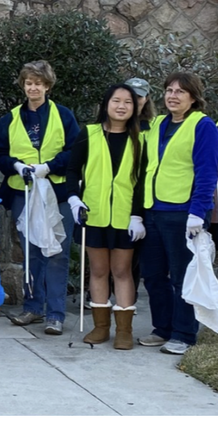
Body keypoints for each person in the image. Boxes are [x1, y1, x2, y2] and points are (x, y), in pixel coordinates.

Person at [0, 61, 84, 334]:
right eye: (28, 83)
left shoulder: (64, 115)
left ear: (47, 85)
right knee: (31, 251)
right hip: (24, 191)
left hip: (57, 191)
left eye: (38, 83)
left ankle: (55, 314)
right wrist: (16, 166)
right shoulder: (10, 118)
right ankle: (33, 308)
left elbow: (76, 150)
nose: (33, 88)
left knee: (57, 252)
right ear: (23, 85)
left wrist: (50, 167)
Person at [136, 74, 218, 356]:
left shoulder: (203, 125)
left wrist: (198, 212)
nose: (173, 96)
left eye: (180, 92)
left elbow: (207, 172)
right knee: (153, 274)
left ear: (193, 98)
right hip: (153, 210)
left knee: (183, 276)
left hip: (183, 212)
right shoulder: (158, 124)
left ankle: (184, 333)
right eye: (169, 90)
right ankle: (162, 328)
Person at [74, 84, 146, 350]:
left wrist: (137, 215)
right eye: (116, 100)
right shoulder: (89, 134)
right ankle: (101, 326)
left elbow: (143, 180)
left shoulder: (141, 138)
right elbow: (73, 170)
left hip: (125, 217)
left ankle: (124, 329)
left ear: (135, 108)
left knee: (122, 271)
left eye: (128, 102)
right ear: (106, 104)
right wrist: (73, 198)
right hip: (95, 215)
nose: (122, 106)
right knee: (99, 271)